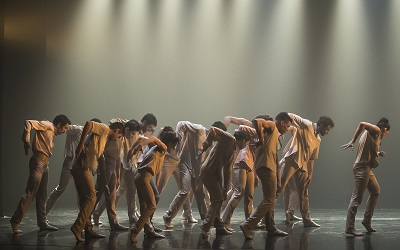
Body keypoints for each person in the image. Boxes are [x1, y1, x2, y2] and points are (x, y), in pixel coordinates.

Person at [10, 115, 71, 234]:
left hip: (45, 164)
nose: (65, 131)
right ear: (59, 125)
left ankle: (42, 223)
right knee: (30, 193)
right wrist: (26, 140)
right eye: (65, 128)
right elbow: (28, 122)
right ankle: (15, 221)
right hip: (38, 162)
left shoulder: (52, 132)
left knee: (42, 195)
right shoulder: (47, 125)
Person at [93, 114, 157, 225]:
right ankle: (96, 213)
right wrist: (124, 124)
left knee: (132, 192)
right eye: (149, 127)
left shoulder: (140, 133)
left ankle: (132, 215)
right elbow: (112, 121)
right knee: (110, 190)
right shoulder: (129, 125)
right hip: (122, 162)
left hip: (132, 164)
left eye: (151, 129)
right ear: (144, 122)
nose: (149, 130)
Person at [240, 112, 292, 239]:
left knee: (270, 198)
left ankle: (270, 227)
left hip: (270, 167)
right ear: (282, 122)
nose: (287, 129)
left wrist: (279, 178)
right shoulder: (272, 126)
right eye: (287, 126)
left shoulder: (274, 135)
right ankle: (248, 225)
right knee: (269, 200)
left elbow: (275, 158)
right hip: (266, 167)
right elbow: (257, 121)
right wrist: (261, 139)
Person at [70, 120, 124, 242]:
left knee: (85, 199)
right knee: (92, 198)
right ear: (116, 131)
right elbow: (89, 124)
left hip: (82, 167)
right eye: (119, 136)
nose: (117, 139)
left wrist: (105, 181)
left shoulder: (104, 138)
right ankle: (77, 227)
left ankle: (88, 229)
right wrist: (81, 143)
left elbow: (100, 158)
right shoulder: (104, 129)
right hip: (81, 166)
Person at [277, 113, 334, 228]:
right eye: (327, 130)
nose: (328, 133)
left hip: (302, 166)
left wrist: (310, 173)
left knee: (303, 193)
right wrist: (282, 127)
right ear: (322, 125)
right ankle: (264, 218)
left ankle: (306, 219)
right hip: (292, 160)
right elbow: (290, 115)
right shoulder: (306, 124)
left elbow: (312, 158)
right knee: (280, 188)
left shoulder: (318, 139)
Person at [341, 118, 390, 236]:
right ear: (384, 129)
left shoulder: (374, 136)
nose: (386, 135)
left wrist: (379, 153)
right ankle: (349, 227)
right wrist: (353, 141)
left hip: (367, 168)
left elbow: (368, 150)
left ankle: (366, 221)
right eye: (387, 133)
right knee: (356, 198)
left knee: (375, 191)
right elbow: (362, 124)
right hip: (362, 168)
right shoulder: (376, 130)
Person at [129, 131, 180, 243]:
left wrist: (156, 184)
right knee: (151, 206)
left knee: (146, 204)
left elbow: (159, 169)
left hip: (141, 176)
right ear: (170, 143)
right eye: (174, 145)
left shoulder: (159, 150)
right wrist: (139, 147)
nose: (174, 148)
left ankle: (148, 230)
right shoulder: (163, 147)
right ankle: (135, 230)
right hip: (143, 177)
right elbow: (152, 138)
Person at [46, 118, 101, 214]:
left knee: (83, 191)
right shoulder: (78, 129)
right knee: (61, 188)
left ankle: (85, 218)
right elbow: (62, 127)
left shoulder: (93, 137)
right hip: (70, 162)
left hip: (82, 164)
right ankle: (43, 214)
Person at [163, 121, 208, 228]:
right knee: (185, 191)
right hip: (185, 164)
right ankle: (168, 216)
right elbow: (181, 123)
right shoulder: (199, 129)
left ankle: (206, 220)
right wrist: (178, 137)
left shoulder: (211, 144)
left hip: (196, 169)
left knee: (200, 194)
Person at [199, 122, 239, 237]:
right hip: (207, 172)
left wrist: (225, 188)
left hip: (215, 174)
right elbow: (212, 129)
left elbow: (227, 171)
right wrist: (207, 141)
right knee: (217, 200)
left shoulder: (233, 152)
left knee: (219, 198)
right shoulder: (229, 139)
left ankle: (220, 227)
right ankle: (205, 227)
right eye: (244, 143)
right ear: (240, 140)